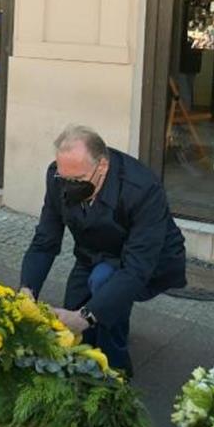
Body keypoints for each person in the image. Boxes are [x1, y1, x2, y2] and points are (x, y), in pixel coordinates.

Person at [20, 125, 187, 376]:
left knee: (101, 291)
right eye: (63, 179)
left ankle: (115, 371)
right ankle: (83, 369)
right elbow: (45, 239)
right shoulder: (59, 175)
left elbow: (136, 269)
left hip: (145, 259)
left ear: (103, 167)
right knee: (74, 324)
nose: (68, 187)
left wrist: (86, 316)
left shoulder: (142, 188)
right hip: (93, 252)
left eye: (77, 181)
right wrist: (27, 290)